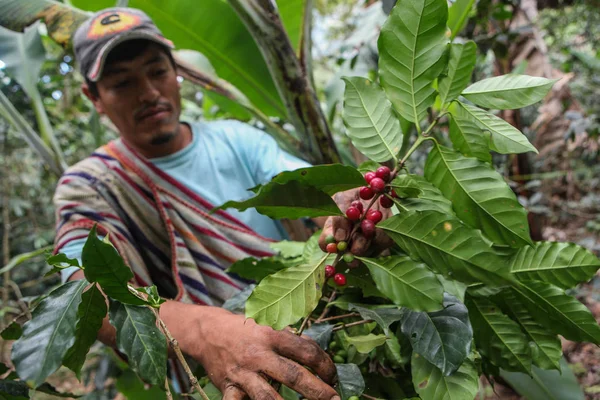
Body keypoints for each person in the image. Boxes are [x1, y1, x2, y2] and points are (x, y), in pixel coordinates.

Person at [54, 7, 389, 399]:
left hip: (317, 334)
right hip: (209, 384)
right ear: (94, 98)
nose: (148, 92)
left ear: (177, 72)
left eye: (157, 72)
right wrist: (205, 330)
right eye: (122, 83)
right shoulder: (90, 186)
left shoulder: (237, 141)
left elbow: (313, 197)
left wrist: (351, 208)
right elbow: (88, 295)